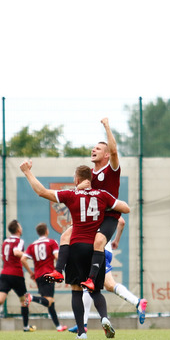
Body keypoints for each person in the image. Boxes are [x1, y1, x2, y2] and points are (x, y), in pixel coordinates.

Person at [20, 159, 130, 340]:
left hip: (75, 247)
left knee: (76, 290)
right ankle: (104, 318)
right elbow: (125, 208)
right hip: (95, 248)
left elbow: (42, 192)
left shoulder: (71, 195)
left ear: (77, 180)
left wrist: (27, 172)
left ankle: (81, 332)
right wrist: (111, 204)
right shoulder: (102, 195)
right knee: (96, 290)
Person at [45, 117, 122, 290]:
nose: (93, 149)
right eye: (94, 147)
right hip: (93, 218)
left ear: (107, 155)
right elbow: (80, 196)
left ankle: (92, 279)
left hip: (109, 217)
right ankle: (58, 272)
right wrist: (78, 187)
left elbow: (115, 152)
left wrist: (107, 126)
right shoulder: (90, 176)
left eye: (99, 148)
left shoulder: (111, 170)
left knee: (99, 241)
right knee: (65, 236)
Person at [68, 239, 147, 333]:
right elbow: (121, 223)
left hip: (97, 250)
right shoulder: (107, 224)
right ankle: (82, 324)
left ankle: (137, 302)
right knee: (88, 285)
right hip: (105, 249)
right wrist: (117, 240)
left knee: (109, 285)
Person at [0, 219, 37, 332]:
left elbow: (3, 257)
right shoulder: (19, 241)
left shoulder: (5, 241)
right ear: (19, 229)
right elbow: (16, 252)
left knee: (0, 299)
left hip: (4, 274)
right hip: (16, 274)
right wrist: (29, 256)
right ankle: (25, 327)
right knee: (24, 300)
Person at [23, 222, 67, 332]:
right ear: (47, 231)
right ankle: (31, 297)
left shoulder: (32, 245)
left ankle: (58, 326)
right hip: (49, 274)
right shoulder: (52, 242)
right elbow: (57, 257)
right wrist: (60, 270)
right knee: (49, 300)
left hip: (38, 276)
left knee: (48, 301)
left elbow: (23, 259)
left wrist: (30, 272)